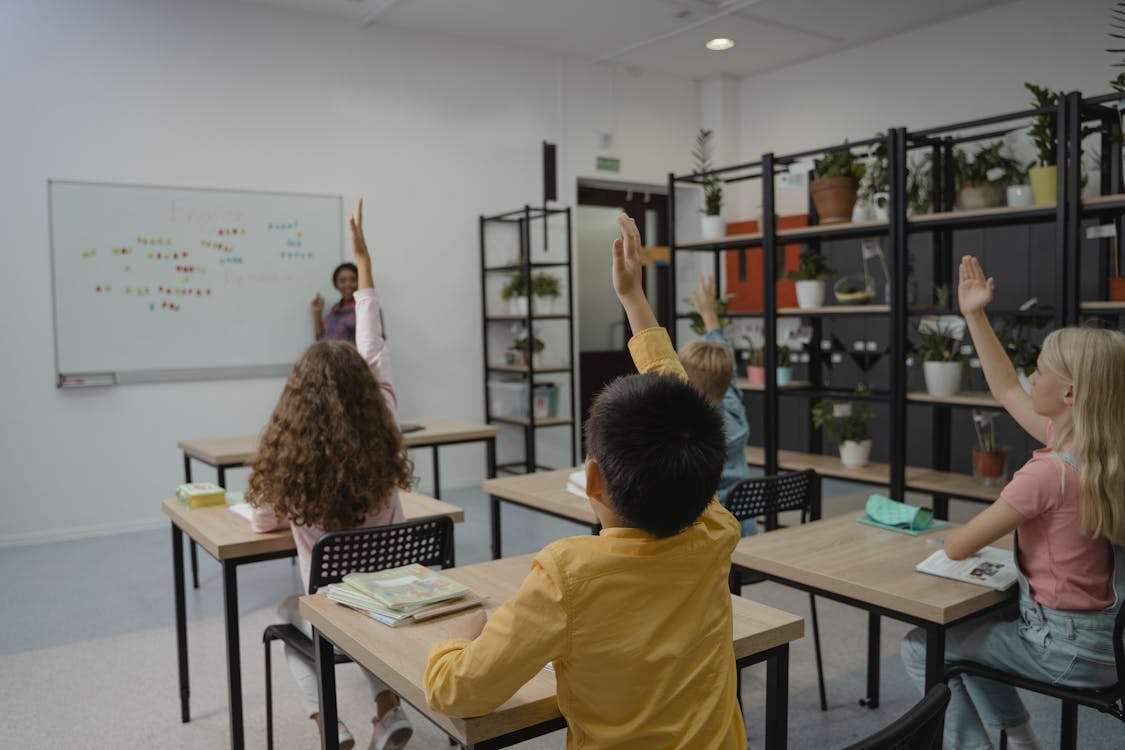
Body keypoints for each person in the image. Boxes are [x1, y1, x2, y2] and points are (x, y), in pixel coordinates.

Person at [423, 213, 747, 749]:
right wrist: (633, 299)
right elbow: (675, 394)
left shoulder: (566, 576)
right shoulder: (713, 527)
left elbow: (457, 691)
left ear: (592, 478)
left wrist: (456, 640)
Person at [900, 255, 1125, 750]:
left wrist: (946, 536)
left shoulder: (1048, 473)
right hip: (1107, 644)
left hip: (1062, 649)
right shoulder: (1102, 452)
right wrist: (975, 314)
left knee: (924, 647)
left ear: (1069, 392)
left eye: (1039, 369)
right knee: (972, 640)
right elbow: (1004, 387)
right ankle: (1022, 742)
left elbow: (960, 545)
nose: (1030, 376)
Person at [248, 199, 415, 750]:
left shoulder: (291, 462)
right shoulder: (384, 416)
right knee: (364, 606)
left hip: (336, 604)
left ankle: (329, 727)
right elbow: (372, 341)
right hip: (392, 594)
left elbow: (263, 522)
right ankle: (388, 710)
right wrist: (365, 259)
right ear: (369, 390)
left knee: (292, 612)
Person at [680, 275, 755, 536]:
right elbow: (727, 364)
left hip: (710, 540)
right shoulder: (732, 404)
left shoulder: (691, 433)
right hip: (744, 530)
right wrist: (708, 314)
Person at [312, 261, 359, 342]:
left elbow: (375, 343)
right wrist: (317, 313)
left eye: (353, 280)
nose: (348, 284)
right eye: (342, 281)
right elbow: (321, 339)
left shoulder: (366, 308)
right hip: (328, 354)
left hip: (353, 355)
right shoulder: (334, 310)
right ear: (336, 284)